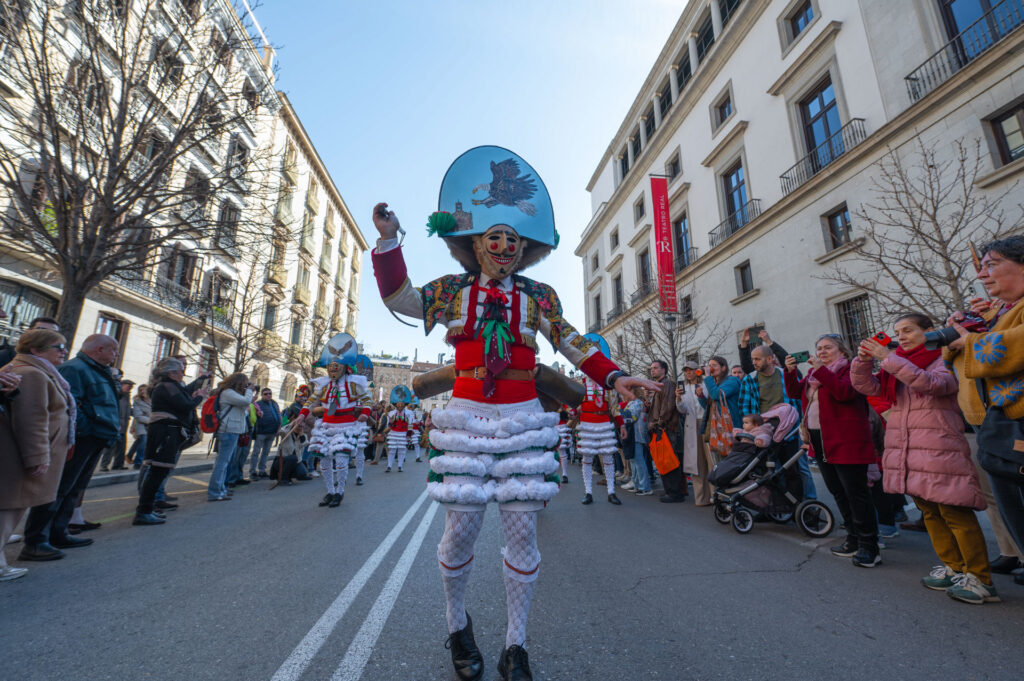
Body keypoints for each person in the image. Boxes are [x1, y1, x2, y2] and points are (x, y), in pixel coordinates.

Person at [370, 145, 657, 681]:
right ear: (475, 244)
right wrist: (390, 241)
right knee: (461, 532)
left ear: (524, 249)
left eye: (513, 240)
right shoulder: (453, 291)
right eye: (493, 237)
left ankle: (515, 645)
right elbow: (404, 300)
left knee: (523, 532)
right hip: (467, 420)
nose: (504, 246)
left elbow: (572, 344)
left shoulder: (540, 297)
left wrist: (616, 377)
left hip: (524, 421)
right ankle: (458, 626)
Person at [853, 312, 995, 603]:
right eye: (898, 332)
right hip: (908, 448)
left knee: (955, 511)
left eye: (908, 330)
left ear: (929, 331)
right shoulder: (900, 365)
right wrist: (863, 361)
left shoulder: (942, 358)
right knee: (929, 512)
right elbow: (867, 387)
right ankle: (953, 568)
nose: (902, 336)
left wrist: (888, 358)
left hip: (938, 447)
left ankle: (981, 578)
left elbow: (932, 384)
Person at [946, 236, 1024, 587]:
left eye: (991, 265)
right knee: (1009, 504)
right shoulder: (1002, 311)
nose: (982, 275)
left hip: (1017, 425)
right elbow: (960, 356)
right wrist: (971, 325)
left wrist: (972, 340)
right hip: (997, 425)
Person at [19, 334, 119, 560]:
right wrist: (86, 430)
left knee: (74, 487)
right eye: (113, 350)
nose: (116, 355)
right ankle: (37, 540)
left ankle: (58, 532)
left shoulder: (97, 370)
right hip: (83, 438)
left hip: (96, 437)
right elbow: (71, 405)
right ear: (99, 349)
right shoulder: (76, 369)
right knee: (59, 487)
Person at [786, 335, 880, 567]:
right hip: (820, 440)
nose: (822, 351)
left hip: (846, 438)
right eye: (819, 348)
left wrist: (820, 370)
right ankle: (853, 537)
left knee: (855, 493)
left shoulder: (849, 369)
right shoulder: (813, 375)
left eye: (828, 347)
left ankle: (870, 546)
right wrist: (790, 371)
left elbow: (845, 393)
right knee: (837, 490)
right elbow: (794, 392)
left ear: (842, 351)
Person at [0, 330, 69, 577]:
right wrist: (37, 457)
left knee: (11, 506)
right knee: (9, 507)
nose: (63, 350)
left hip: (20, 452)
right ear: (36, 350)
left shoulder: (36, 371)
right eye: (57, 346)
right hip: (19, 455)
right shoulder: (31, 373)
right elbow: (32, 419)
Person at [294, 340, 371, 505]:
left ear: (345, 368)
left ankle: (340, 492)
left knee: (342, 460)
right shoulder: (323, 386)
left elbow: (368, 401)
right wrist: (302, 415)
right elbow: (310, 402)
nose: (333, 369)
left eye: (337, 366)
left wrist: (365, 413)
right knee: (325, 461)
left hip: (346, 426)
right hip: (326, 426)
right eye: (330, 366)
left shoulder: (353, 384)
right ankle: (330, 491)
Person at [134, 358, 206, 525]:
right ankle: (143, 511)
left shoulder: (170, 386)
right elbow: (185, 405)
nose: (183, 374)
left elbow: (183, 400)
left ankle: (147, 509)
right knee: (156, 472)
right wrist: (199, 397)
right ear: (172, 373)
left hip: (166, 431)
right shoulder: (167, 386)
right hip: (164, 432)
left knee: (158, 472)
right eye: (181, 371)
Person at [738, 345, 815, 499]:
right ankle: (779, 506)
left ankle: (804, 504)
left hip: (790, 430)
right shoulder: (750, 379)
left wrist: (802, 424)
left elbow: (799, 401)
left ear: (770, 359)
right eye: (753, 359)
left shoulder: (784, 374)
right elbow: (745, 408)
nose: (754, 362)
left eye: (757, 359)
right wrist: (753, 430)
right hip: (766, 432)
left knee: (797, 469)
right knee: (772, 471)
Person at [577, 367, 626, 505]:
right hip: (587, 424)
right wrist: (573, 411)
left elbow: (614, 408)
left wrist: (621, 425)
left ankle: (611, 492)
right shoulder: (581, 385)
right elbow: (571, 404)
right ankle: (588, 492)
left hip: (604, 423)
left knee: (608, 457)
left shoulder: (608, 386)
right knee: (587, 458)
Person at [207, 373, 252, 501]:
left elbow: (243, 411)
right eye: (245, 383)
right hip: (228, 430)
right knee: (222, 463)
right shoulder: (228, 393)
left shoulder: (232, 394)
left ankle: (220, 489)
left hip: (233, 430)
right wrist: (249, 391)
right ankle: (214, 492)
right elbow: (247, 401)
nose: (246, 385)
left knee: (225, 463)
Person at [649, 359, 687, 503]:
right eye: (652, 368)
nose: (652, 370)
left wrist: (659, 423)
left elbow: (669, 406)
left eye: (655, 368)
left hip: (667, 428)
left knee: (670, 460)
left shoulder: (668, 384)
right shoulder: (659, 385)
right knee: (664, 460)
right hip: (661, 427)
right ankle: (670, 490)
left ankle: (675, 493)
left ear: (663, 370)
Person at [675, 361, 709, 504]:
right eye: (686, 371)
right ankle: (701, 498)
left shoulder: (705, 384)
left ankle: (715, 495)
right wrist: (677, 398)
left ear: (697, 371)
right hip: (691, 425)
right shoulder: (684, 388)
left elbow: (709, 401)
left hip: (706, 422)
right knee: (697, 462)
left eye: (691, 370)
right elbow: (682, 410)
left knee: (710, 460)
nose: (688, 373)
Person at [700, 356, 742, 466]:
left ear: (723, 368)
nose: (710, 368)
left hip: (731, 429)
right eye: (709, 366)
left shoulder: (732, 380)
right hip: (717, 431)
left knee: (732, 465)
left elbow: (716, 395)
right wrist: (700, 396)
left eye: (714, 365)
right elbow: (709, 407)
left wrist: (708, 377)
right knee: (720, 466)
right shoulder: (715, 384)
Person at [99, 379, 134, 471]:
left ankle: (118, 465)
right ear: (122, 385)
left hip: (124, 426)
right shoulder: (118, 396)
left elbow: (128, 411)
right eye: (128, 385)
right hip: (116, 425)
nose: (130, 388)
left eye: (131, 386)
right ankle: (104, 465)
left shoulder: (127, 397)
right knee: (110, 447)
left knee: (121, 447)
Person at [623, 387, 652, 495]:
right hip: (632, 436)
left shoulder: (637, 403)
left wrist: (619, 412)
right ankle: (637, 484)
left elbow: (632, 417)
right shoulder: (632, 403)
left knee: (639, 462)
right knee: (634, 461)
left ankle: (645, 487)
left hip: (637, 435)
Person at [250, 387, 281, 479]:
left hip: (272, 432)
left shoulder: (274, 403)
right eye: (266, 394)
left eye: (270, 393)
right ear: (262, 395)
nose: (268, 395)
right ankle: (252, 471)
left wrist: (279, 428)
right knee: (256, 452)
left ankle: (262, 470)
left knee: (266, 452)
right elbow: (255, 416)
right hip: (261, 432)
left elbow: (279, 415)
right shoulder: (258, 404)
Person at [127, 384, 151, 469]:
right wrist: (151, 419)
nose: (142, 391)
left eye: (144, 389)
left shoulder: (153, 400)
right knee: (143, 441)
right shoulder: (137, 401)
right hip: (141, 425)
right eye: (140, 390)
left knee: (142, 442)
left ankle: (130, 456)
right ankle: (138, 463)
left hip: (151, 426)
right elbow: (138, 416)